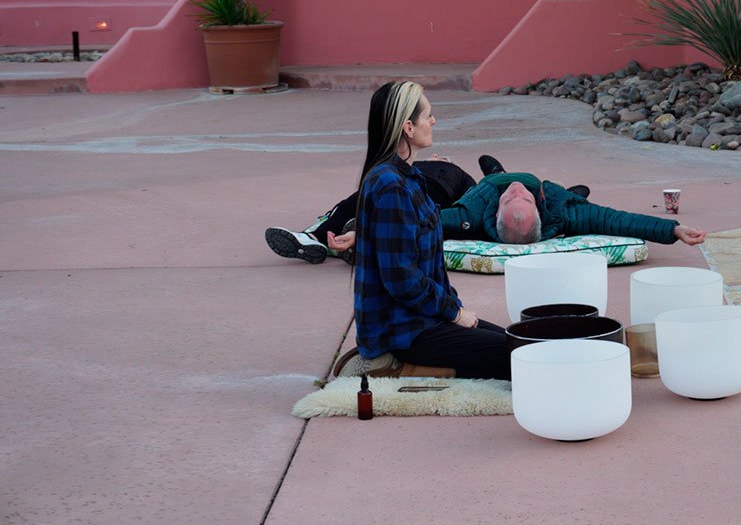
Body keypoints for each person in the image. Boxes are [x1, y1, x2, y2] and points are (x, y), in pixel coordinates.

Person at [340, 81, 510, 380]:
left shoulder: (409, 178)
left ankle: (436, 365)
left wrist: (452, 310)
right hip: (404, 332)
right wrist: (454, 313)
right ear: (408, 127)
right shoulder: (391, 185)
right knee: (521, 357)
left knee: (520, 342)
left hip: (425, 319)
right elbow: (402, 279)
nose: (433, 121)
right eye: (428, 115)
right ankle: (395, 366)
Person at [265, 155, 590, 265]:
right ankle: (346, 235)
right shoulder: (491, 205)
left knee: (373, 189)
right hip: (448, 196)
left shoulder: (477, 203)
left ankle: (319, 235)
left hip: (445, 189)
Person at [439, 173, 707, 247]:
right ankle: (575, 195)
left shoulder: (470, 218)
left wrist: (671, 229)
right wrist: (674, 230)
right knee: (576, 202)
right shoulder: (563, 214)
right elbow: (616, 221)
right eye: (515, 199)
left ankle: (497, 172)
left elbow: (422, 219)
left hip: (491, 184)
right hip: (550, 190)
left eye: (520, 198)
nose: (518, 189)